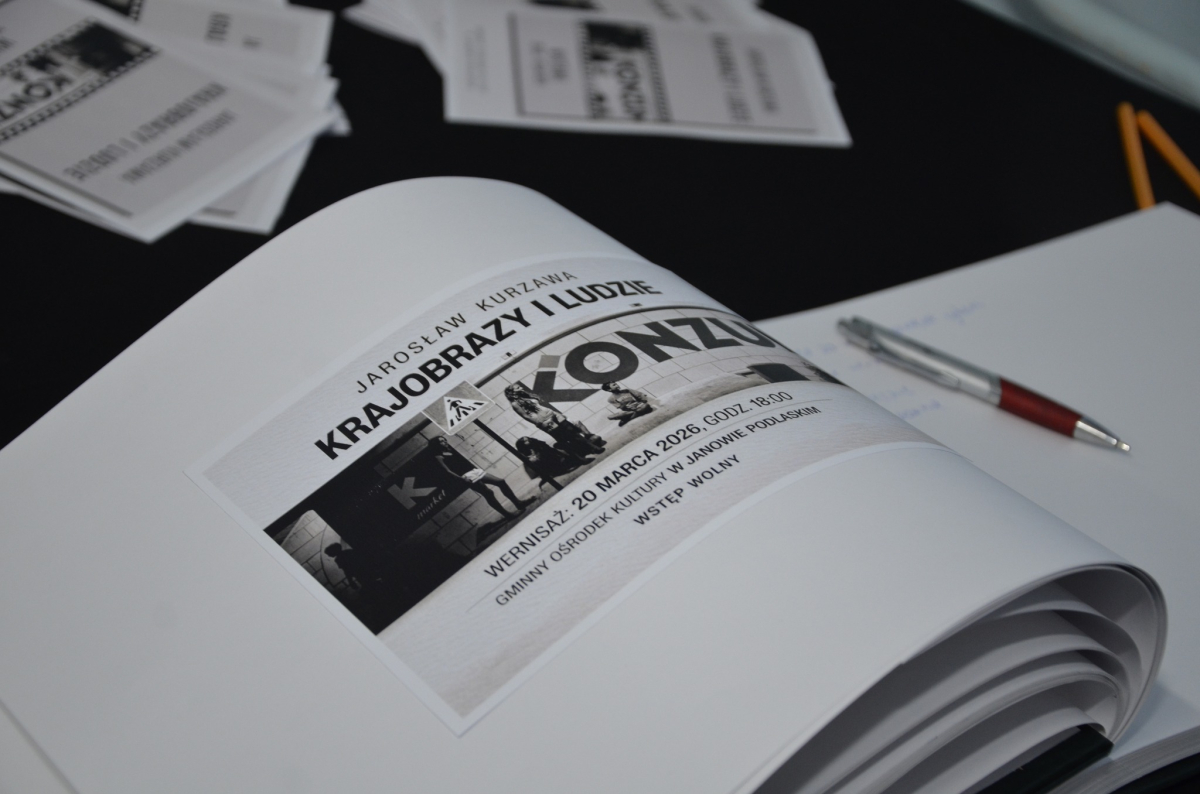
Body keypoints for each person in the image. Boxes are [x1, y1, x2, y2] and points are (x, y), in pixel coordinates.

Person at [430, 436, 534, 519]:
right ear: (437, 445)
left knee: (500, 481)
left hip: (474, 472)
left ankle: (518, 503)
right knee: (488, 493)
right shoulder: (438, 456)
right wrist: (463, 479)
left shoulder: (450, 451)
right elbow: (448, 471)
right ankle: (507, 515)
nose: (445, 442)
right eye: (441, 441)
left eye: (444, 440)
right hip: (466, 477)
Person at [504, 383, 605, 458]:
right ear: (512, 392)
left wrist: (557, 414)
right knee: (563, 440)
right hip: (546, 421)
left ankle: (594, 448)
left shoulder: (525, 396)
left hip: (554, 415)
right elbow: (526, 416)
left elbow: (539, 406)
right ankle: (579, 458)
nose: (521, 388)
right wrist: (541, 422)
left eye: (520, 387)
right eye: (518, 388)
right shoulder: (515, 404)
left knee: (573, 432)